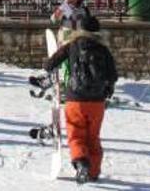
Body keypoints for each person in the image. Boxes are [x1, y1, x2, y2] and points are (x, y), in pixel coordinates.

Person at [44, 16, 118, 184]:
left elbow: (50, 64)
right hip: (98, 102)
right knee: (93, 137)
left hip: (75, 100)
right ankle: (93, 172)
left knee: (76, 135)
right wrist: (108, 90)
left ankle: (81, 162)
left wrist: (49, 66)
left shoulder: (72, 46)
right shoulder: (103, 49)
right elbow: (113, 75)